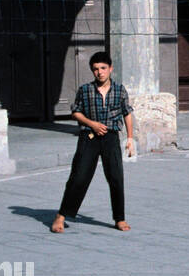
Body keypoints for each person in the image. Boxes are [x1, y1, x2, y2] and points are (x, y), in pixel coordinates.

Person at [50, 51, 135, 234]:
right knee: (79, 176)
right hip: (89, 136)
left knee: (116, 178)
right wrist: (92, 124)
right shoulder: (85, 90)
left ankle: (119, 218)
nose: (100, 72)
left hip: (111, 137)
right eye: (95, 69)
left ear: (110, 69)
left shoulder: (120, 90)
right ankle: (61, 215)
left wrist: (130, 138)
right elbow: (76, 112)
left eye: (103, 68)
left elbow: (127, 113)